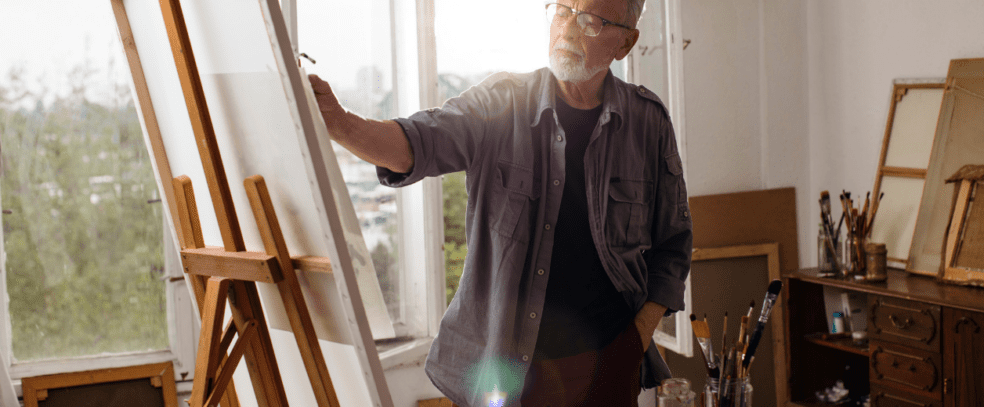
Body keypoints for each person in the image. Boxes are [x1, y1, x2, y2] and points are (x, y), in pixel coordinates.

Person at [308, 0, 691, 405]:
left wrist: (634, 343)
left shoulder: (648, 121)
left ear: (625, 44)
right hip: (506, 375)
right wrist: (340, 123)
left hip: (608, 367)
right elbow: (418, 143)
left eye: (590, 21)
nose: (568, 30)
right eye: (562, 11)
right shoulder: (501, 102)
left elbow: (673, 245)